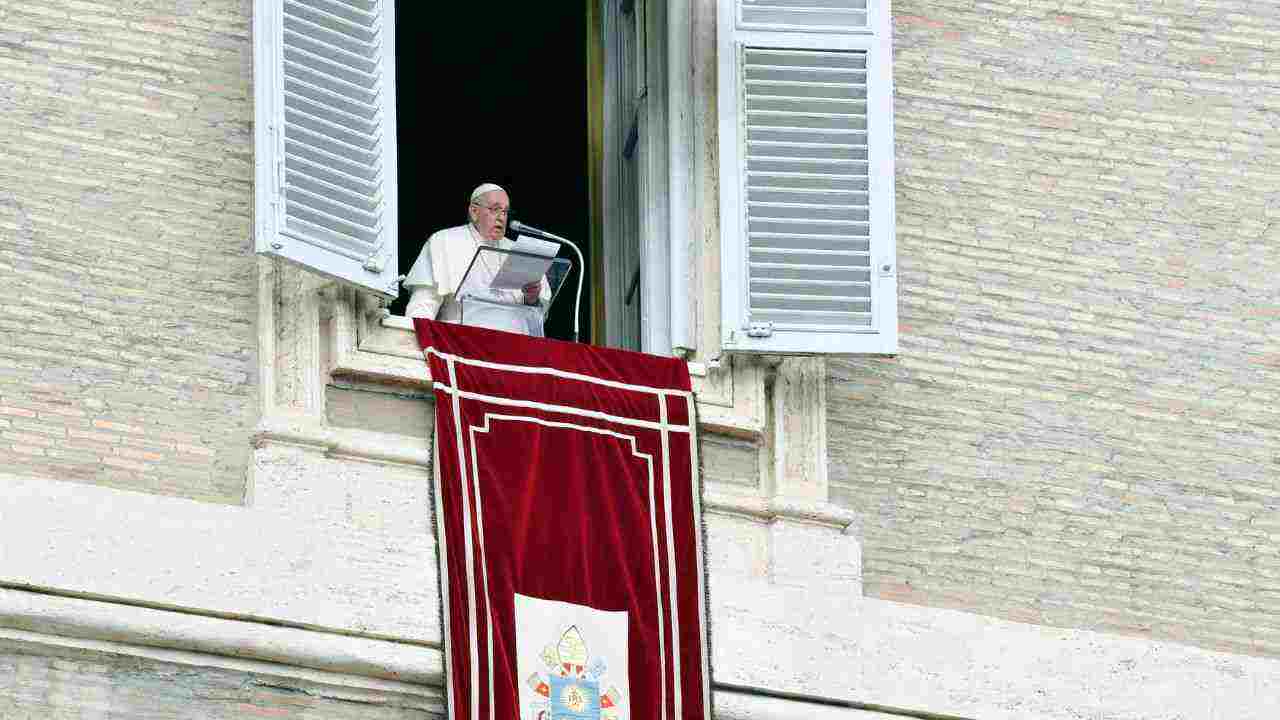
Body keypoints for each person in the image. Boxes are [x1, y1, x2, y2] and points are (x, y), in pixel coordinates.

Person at [403, 183, 551, 334]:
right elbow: (424, 303)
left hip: (515, 346)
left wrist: (532, 299)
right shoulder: (444, 240)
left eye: (506, 212)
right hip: (459, 342)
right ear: (474, 211)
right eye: (495, 209)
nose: (501, 217)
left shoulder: (521, 252)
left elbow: (536, 319)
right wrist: (418, 341)